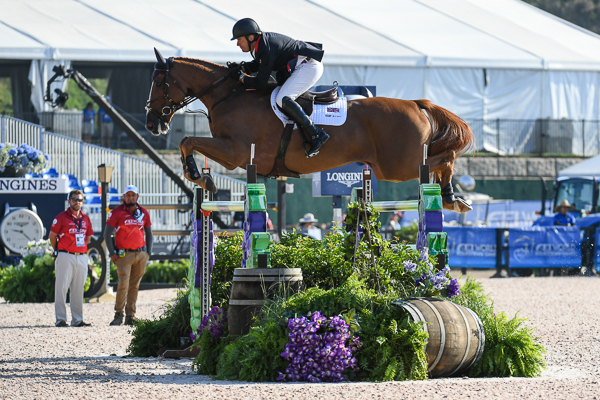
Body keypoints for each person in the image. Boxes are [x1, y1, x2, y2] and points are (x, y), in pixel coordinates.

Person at [231, 18, 329, 158]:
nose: (237, 44)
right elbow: (259, 64)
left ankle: (316, 133)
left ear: (250, 37)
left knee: (282, 98)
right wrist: (242, 67)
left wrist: (241, 77)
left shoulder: (265, 47)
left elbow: (260, 83)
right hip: (303, 64)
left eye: (239, 39)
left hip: (309, 66)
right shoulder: (261, 44)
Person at [104, 185, 153, 326]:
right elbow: (107, 234)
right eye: (128, 195)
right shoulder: (116, 212)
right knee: (123, 284)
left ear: (137, 197)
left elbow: (149, 233)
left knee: (134, 286)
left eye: (133, 195)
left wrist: (148, 253)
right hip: (123, 255)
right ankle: (118, 314)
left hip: (141, 254)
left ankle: (130, 316)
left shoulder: (144, 212)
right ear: (124, 197)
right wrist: (112, 253)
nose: (130, 197)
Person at [49, 190, 94, 327]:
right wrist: (58, 249)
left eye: (80, 200)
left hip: (81, 257)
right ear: (69, 201)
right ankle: (61, 319)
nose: (77, 202)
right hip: (65, 255)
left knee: (78, 289)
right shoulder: (61, 217)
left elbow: (88, 237)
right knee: (61, 288)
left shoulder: (86, 219)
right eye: (74, 199)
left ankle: (77, 320)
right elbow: (52, 236)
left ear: (83, 202)